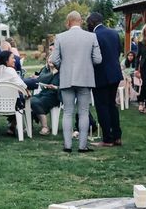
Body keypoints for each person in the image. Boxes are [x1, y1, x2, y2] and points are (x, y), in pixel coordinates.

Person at [50, 10, 102, 153]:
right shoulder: (91, 37)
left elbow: (54, 59)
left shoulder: (60, 37)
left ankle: (67, 146)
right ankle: (82, 146)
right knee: (84, 112)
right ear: (81, 21)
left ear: (68, 22)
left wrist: (63, 66)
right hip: (85, 78)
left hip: (67, 78)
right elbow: (98, 59)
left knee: (67, 112)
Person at [86, 12, 123, 147]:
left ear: (92, 23)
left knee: (102, 107)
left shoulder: (93, 36)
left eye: (87, 23)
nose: (87, 25)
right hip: (115, 74)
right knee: (112, 105)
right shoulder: (114, 33)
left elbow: (93, 57)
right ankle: (117, 136)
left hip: (100, 75)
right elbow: (118, 51)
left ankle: (107, 139)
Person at [0, 50, 29, 136]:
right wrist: (27, 92)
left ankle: (12, 126)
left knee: (18, 98)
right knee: (23, 100)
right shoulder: (11, 70)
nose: (15, 60)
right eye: (12, 58)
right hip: (11, 104)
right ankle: (15, 126)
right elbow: (21, 84)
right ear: (6, 60)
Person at [30, 54, 60, 135]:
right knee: (28, 100)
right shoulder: (45, 69)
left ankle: (45, 127)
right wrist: (52, 73)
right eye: (49, 58)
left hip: (55, 95)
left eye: (53, 58)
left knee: (34, 102)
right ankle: (29, 126)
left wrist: (55, 87)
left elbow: (63, 86)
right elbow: (40, 79)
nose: (51, 60)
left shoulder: (61, 71)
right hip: (43, 93)